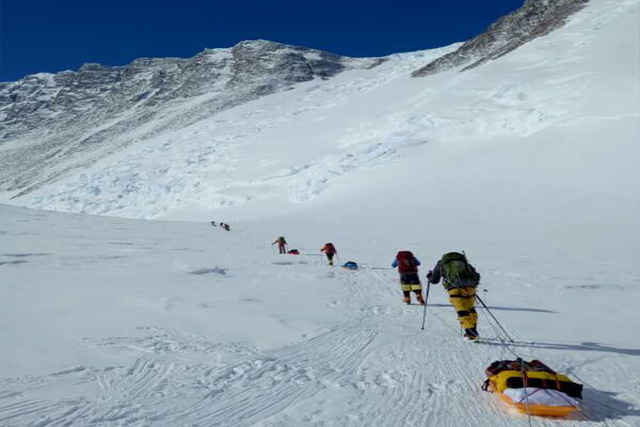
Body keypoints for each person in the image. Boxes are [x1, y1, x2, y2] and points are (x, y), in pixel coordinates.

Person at [427, 252, 481, 341]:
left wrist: (429, 277)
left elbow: (434, 280)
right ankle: (472, 330)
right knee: (470, 309)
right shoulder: (465, 263)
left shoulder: (442, 263)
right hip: (470, 288)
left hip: (454, 289)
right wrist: (472, 285)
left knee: (462, 311)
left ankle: (471, 333)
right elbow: (476, 275)